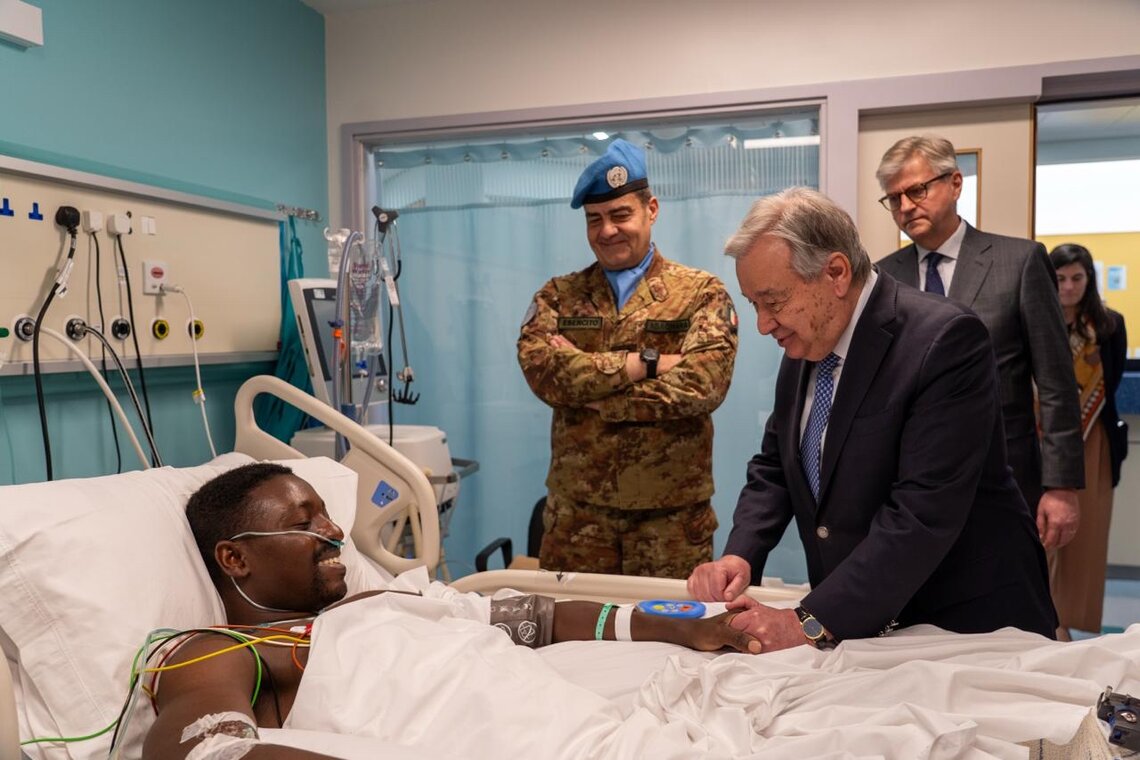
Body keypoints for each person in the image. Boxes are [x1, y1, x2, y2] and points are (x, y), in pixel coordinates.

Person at [144, 463, 760, 760]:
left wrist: (682, 625)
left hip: (605, 739)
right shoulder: (228, 651)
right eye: (304, 524)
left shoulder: (390, 599)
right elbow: (204, 753)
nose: (335, 532)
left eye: (329, 514)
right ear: (235, 559)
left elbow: (539, 616)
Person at [686, 187, 1057, 653]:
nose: (763, 324)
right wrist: (742, 552)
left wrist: (808, 622)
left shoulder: (943, 341)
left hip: (962, 622)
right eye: (753, 304)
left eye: (773, 301)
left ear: (836, 273)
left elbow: (921, 515)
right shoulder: (806, 344)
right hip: (865, 621)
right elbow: (776, 467)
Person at [517, 138, 738, 578]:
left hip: (670, 524)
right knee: (571, 638)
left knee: (674, 639)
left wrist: (601, 398)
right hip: (578, 520)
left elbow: (703, 384)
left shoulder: (699, 293)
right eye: (595, 219)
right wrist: (643, 364)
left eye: (621, 215)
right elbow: (544, 373)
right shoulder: (558, 296)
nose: (607, 230)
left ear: (650, 210)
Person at [874, 135, 1084, 552]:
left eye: (916, 190)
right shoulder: (883, 278)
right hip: (910, 482)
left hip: (1003, 473)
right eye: (894, 198)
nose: (905, 206)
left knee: (1003, 607)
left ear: (955, 183)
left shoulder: (1018, 262)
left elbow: (1057, 382)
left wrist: (1061, 486)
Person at [1047, 243, 1128, 636]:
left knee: (1087, 539)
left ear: (1088, 280)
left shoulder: (1110, 324)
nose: (1068, 287)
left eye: (1077, 278)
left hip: (1094, 440)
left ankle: (1069, 625)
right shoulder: (1036, 320)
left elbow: (1110, 384)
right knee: (1037, 536)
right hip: (1040, 438)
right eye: (1060, 279)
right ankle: (1042, 621)